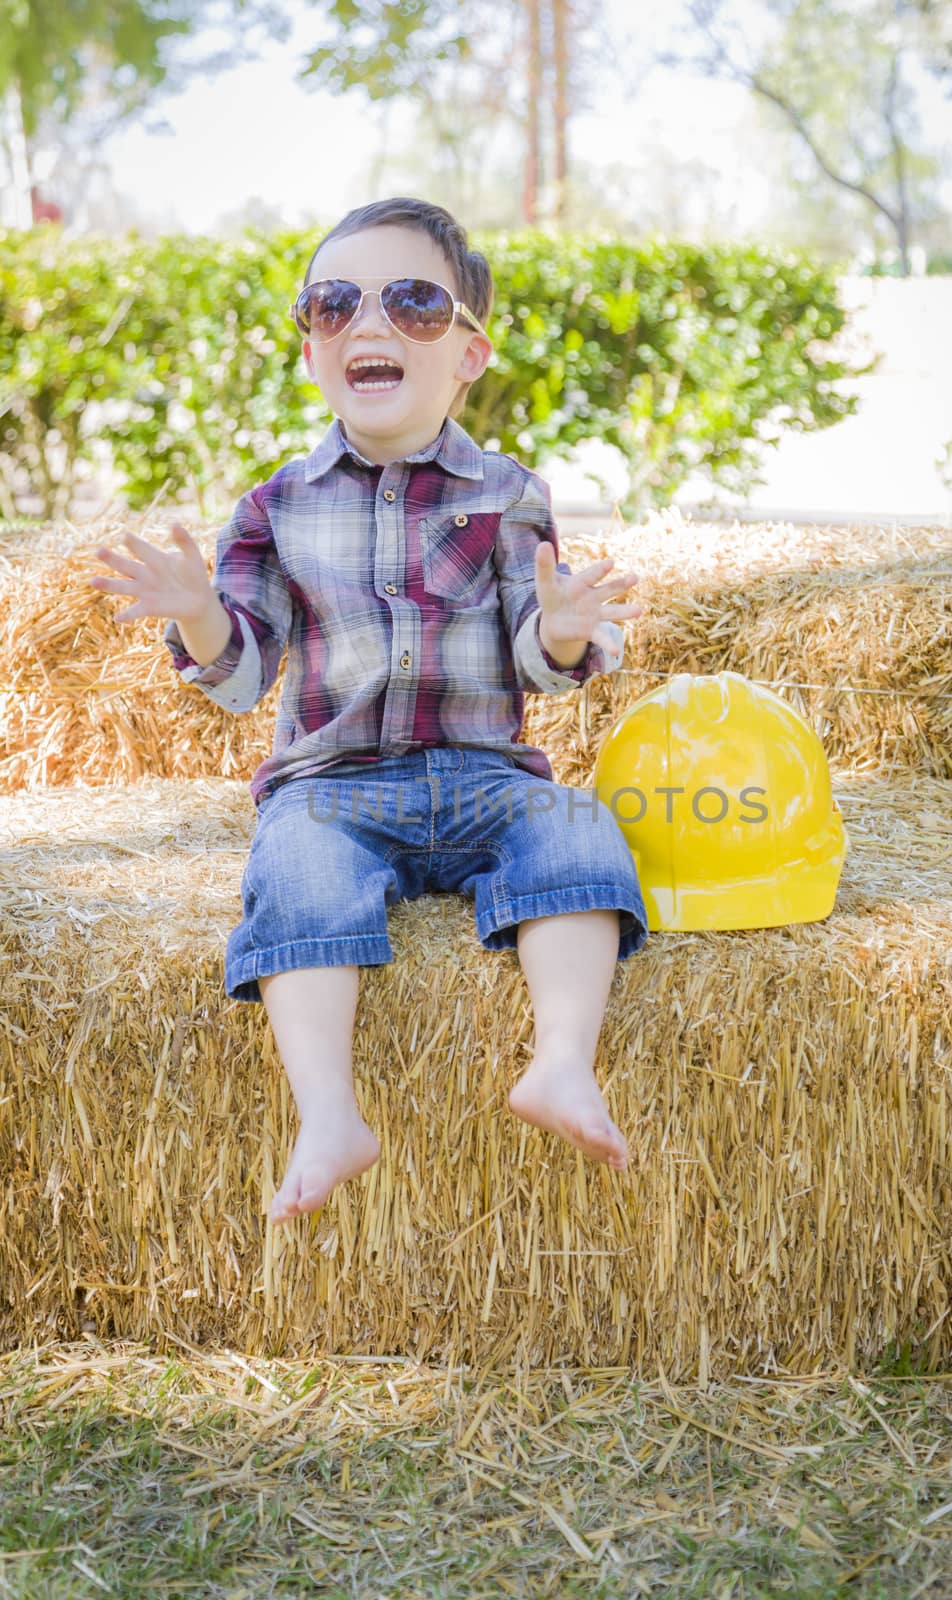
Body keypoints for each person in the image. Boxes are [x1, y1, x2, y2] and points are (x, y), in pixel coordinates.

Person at [90, 196, 649, 1225]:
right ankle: (328, 1114)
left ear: (469, 353)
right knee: (295, 875)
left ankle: (561, 1063)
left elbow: (541, 654)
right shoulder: (273, 507)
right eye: (334, 303)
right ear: (311, 351)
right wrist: (204, 614)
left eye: (413, 302)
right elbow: (242, 673)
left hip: (484, 779)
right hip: (329, 790)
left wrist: (564, 624)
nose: (369, 323)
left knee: (578, 830)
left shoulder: (508, 494)